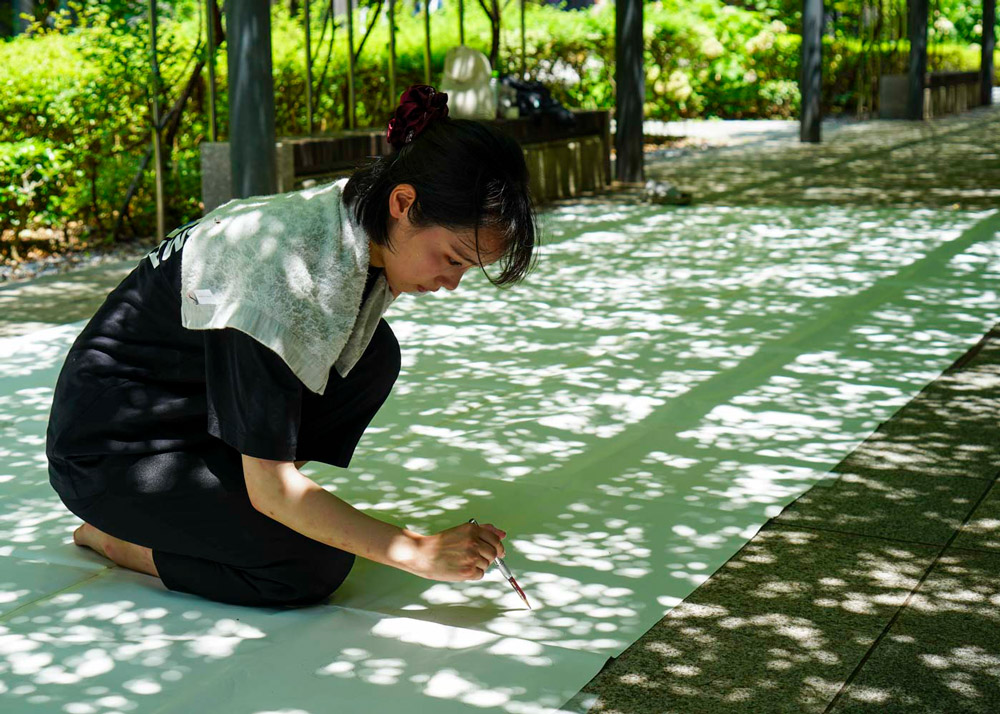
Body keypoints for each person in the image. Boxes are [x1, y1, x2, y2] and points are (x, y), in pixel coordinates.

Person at [44, 85, 539, 608]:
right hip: (111, 453)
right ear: (403, 203)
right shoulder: (278, 280)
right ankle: (118, 538)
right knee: (306, 567)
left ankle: (235, 501)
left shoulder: (352, 221)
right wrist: (416, 550)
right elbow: (275, 491)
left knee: (373, 354)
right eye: (454, 258)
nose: (452, 282)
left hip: (185, 413)